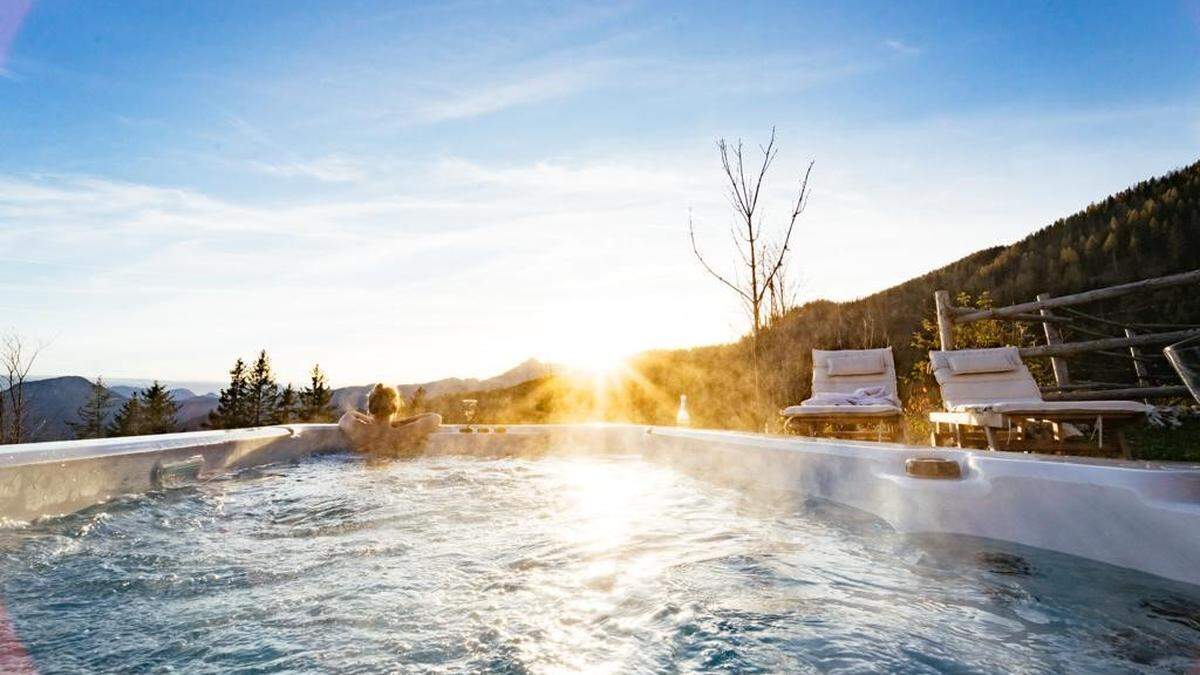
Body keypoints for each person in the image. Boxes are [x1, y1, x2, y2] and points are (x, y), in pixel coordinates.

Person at [338, 384, 441, 457]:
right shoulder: (403, 433)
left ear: (370, 407)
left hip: (363, 473)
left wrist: (368, 419)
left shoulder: (360, 429)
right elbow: (436, 418)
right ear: (394, 407)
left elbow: (346, 417)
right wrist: (403, 421)